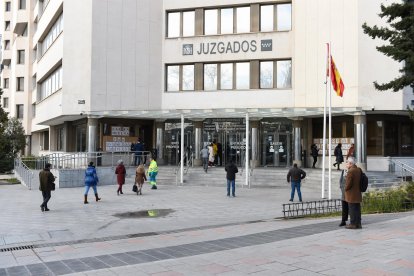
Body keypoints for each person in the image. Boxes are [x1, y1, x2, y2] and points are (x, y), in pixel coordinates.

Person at [344, 157, 362, 229]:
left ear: (351, 163)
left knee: (352, 209)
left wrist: (345, 189)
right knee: (357, 208)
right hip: (357, 192)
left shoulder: (351, 171)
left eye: (347, 162)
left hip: (351, 193)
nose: (346, 163)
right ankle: (358, 223)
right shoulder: (358, 169)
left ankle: (353, 224)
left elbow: (348, 184)